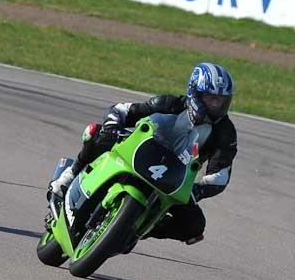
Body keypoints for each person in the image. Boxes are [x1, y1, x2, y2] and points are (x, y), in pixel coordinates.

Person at [48, 63, 237, 244]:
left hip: (174, 178)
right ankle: (68, 177)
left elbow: (220, 175)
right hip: (140, 152)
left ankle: (138, 228)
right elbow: (121, 110)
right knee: (97, 133)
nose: (216, 105)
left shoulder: (225, 132)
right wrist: (112, 125)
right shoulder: (169, 104)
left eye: (221, 100)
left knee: (194, 226)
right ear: (194, 93)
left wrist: (198, 190)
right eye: (211, 98)